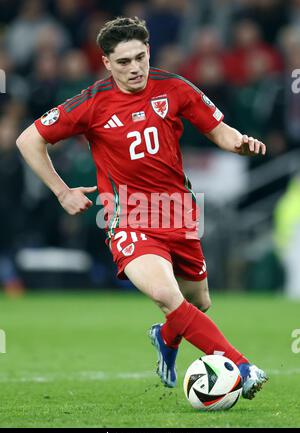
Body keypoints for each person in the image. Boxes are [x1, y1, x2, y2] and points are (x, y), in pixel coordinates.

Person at [16, 17, 268, 399]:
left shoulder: (175, 87)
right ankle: (242, 366)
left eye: (139, 57)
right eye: (123, 62)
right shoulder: (91, 102)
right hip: (128, 215)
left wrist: (238, 143)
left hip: (177, 212)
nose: (134, 68)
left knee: (198, 304)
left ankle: (165, 337)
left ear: (149, 51)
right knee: (169, 298)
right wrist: (62, 191)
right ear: (106, 62)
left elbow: (220, 130)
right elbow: (29, 139)